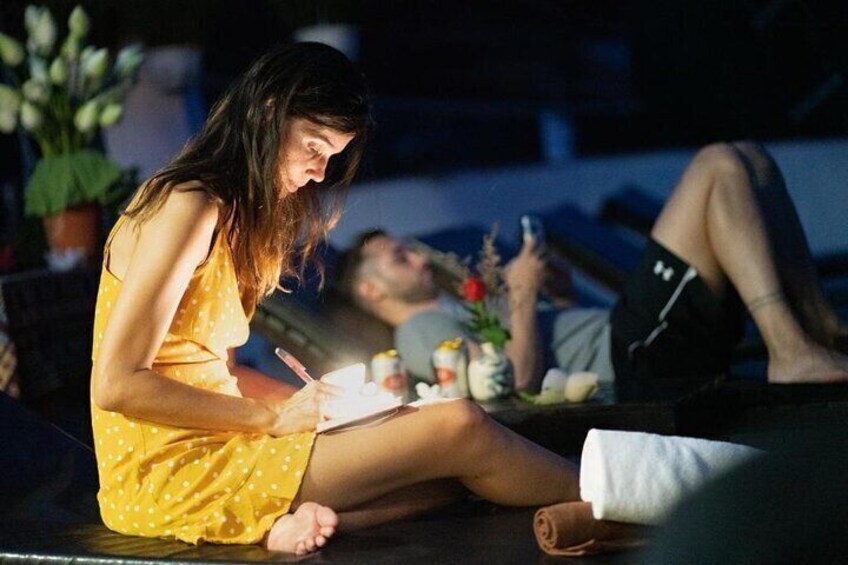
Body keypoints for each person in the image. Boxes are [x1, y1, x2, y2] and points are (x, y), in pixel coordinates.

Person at [90, 42, 583, 556]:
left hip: (221, 441)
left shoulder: (235, 220)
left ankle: (288, 525)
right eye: (315, 146)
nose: (320, 172)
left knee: (443, 476)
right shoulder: (187, 205)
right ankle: (622, 497)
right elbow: (118, 384)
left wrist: (322, 407)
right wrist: (273, 420)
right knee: (460, 425)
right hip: (170, 470)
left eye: (331, 155)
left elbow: (222, 373)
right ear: (267, 114)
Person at [335, 142, 848, 391]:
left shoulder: (452, 309)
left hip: (635, 338)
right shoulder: (418, 332)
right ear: (371, 290)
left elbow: (556, 346)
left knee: (751, 160)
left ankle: (820, 328)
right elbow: (513, 382)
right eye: (399, 256)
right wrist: (520, 294)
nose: (418, 256)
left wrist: (558, 296)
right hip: (634, 356)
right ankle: (788, 350)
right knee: (719, 164)